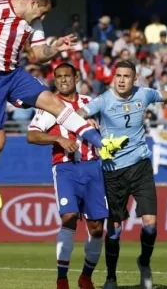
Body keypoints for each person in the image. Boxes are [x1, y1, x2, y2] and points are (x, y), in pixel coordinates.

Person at [0, 0, 118, 211]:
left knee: (56, 103)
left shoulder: (33, 23)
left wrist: (56, 48)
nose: (43, 18)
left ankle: (101, 144)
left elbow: (37, 55)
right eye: (43, 12)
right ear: (34, 3)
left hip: (13, 75)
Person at [76, 60, 167, 289]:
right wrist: (83, 124)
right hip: (112, 171)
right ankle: (111, 277)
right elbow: (79, 113)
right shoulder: (104, 100)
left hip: (140, 166)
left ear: (134, 78)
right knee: (115, 230)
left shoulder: (144, 94)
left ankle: (144, 263)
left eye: (126, 76)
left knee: (150, 223)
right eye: (117, 75)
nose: (120, 80)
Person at [27, 63, 122, 289]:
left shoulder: (91, 103)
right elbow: (31, 135)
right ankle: (62, 279)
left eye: (67, 76)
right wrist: (58, 139)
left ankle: (86, 276)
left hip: (93, 167)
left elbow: (109, 130)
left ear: (76, 77)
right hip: (65, 168)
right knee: (68, 217)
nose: (62, 80)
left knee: (97, 227)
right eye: (58, 77)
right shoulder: (49, 106)